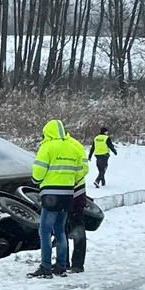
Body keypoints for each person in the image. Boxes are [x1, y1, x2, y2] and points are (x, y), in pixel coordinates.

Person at [28, 119, 88, 278]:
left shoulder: (47, 146)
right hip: (68, 194)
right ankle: (61, 265)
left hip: (51, 195)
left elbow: (38, 170)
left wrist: (36, 181)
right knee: (60, 230)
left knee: (45, 231)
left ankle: (46, 266)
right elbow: (80, 171)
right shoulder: (72, 147)